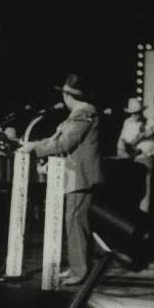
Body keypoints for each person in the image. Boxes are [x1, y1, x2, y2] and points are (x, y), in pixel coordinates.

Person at [21, 72, 104, 286]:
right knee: (75, 222)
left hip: (80, 177)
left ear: (68, 96)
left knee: (75, 222)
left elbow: (64, 144)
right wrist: (35, 145)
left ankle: (80, 271)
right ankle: (79, 267)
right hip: (73, 176)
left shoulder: (83, 112)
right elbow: (57, 141)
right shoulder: (78, 114)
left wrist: (34, 147)